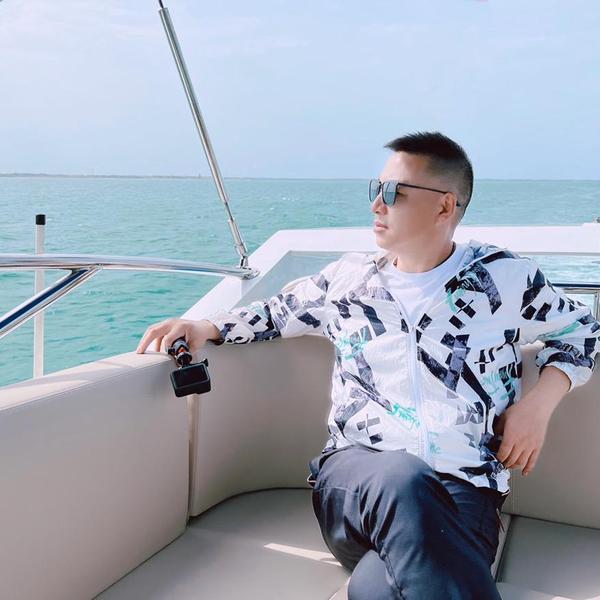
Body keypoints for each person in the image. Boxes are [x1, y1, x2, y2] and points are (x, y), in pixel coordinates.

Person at [135, 131, 600, 599]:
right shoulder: (349, 281)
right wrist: (205, 326)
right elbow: (274, 313)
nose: (377, 204)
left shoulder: (504, 278)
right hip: (355, 482)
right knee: (403, 477)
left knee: (376, 590)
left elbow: (584, 331)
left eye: (394, 192)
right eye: (375, 189)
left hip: (465, 491)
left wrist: (538, 406)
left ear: (445, 206)